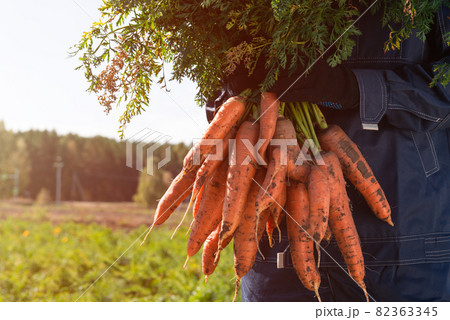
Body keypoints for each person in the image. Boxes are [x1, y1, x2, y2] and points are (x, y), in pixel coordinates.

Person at [206, 3, 450, 301]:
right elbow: (220, 98)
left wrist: (353, 88)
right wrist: (235, 92)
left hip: (404, 244)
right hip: (274, 241)